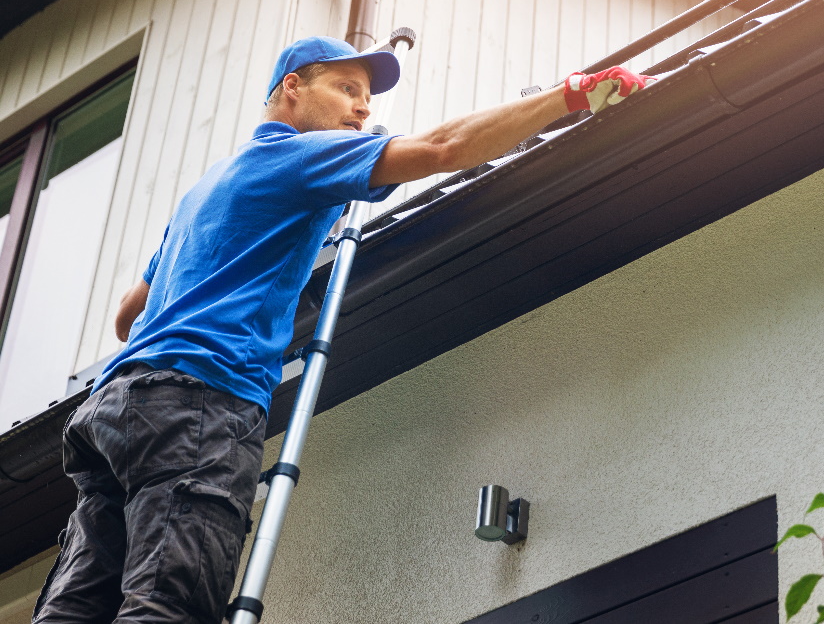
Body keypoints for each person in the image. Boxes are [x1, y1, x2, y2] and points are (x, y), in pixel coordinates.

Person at [32, 36, 652, 624]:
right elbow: (442, 148)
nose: (361, 109)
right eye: (348, 89)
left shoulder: (206, 189)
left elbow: (125, 317)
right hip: (198, 405)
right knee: (168, 604)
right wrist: (570, 93)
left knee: (74, 610)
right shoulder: (298, 157)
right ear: (292, 88)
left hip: (114, 411)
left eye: (369, 100)